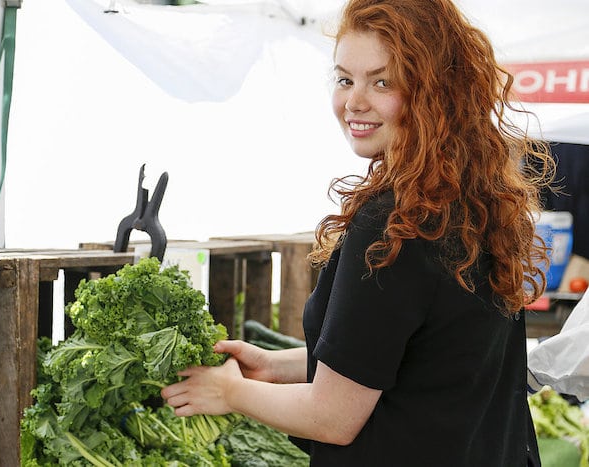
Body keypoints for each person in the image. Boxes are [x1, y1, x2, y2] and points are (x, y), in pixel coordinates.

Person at [161, 0, 555, 465]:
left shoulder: (394, 223)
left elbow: (332, 417)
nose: (354, 101)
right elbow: (409, 353)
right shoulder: (475, 200)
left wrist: (229, 392)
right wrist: (274, 366)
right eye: (345, 79)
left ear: (434, 92)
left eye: (382, 81)